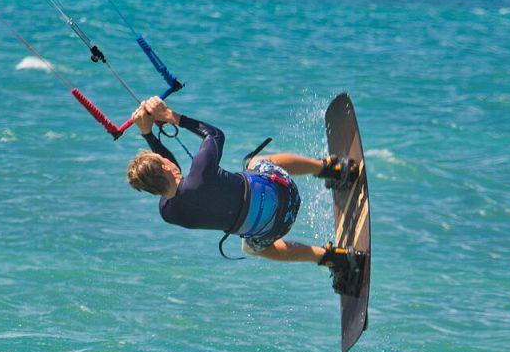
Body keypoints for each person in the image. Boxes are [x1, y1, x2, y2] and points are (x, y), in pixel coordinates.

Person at [125, 96, 365, 294]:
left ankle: (334, 259)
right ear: (166, 166)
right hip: (287, 193)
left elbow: (174, 180)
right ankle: (333, 170)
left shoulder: (169, 212)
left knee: (252, 248)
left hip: (275, 227)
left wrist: (149, 135)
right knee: (256, 162)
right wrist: (170, 116)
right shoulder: (200, 171)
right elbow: (215, 135)